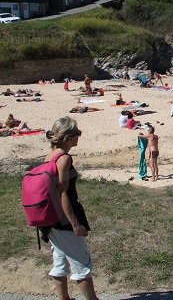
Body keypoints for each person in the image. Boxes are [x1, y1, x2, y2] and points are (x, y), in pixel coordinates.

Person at [42, 117, 99, 300]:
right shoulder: (64, 159)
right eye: (77, 133)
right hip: (64, 219)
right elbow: (62, 193)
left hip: (50, 218)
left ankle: (64, 298)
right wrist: (75, 224)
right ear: (68, 137)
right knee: (81, 263)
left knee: (59, 260)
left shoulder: (49, 156)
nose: (79, 137)